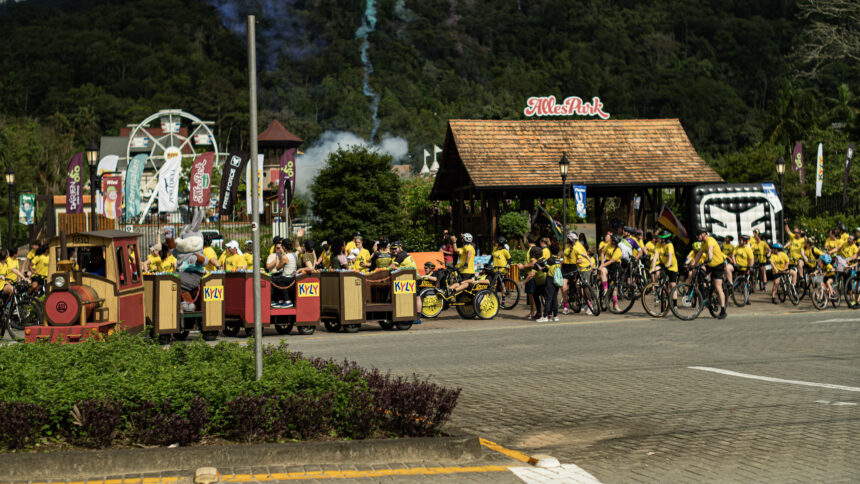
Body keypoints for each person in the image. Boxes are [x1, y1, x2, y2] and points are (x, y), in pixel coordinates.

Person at [692, 229, 727, 319]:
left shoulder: (710, 240)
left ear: (704, 234)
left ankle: (723, 310)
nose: (697, 237)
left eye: (698, 235)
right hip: (709, 265)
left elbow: (710, 250)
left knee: (718, 287)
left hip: (718, 265)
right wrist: (692, 265)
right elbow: (699, 254)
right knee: (698, 271)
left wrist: (710, 258)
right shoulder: (703, 244)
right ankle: (706, 290)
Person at [518, 246, 546, 319]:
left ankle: (542, 314)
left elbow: (531, 274)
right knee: (545, 297)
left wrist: (524, 282)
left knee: (536, 296)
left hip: (541, 282)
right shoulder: (545, 260)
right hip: (546, 282)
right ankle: (549, 314)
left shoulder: (537, 263)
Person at [266, 239, 295, 308]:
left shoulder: (285, 256)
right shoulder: (294, 255)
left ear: (284, 247)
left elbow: (278, 267)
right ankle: (283, 300)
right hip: (291, 277)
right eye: (278, 248)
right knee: (279, 281)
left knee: (273, 280)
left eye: (281, 247)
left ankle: (276, 300)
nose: (280, 249)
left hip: (287, 277)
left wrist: (278, 257)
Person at [598, 234, 623, 312]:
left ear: (614, 242)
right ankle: (605, 288)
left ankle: (615, 305)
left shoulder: (618, 250)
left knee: (614, 287)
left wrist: (602, 265)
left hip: (615, 266)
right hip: (607, 263)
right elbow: (602, 253)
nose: (610, 240)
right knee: (602, 271)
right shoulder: (608, 245)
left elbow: (612, 261)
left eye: (611, 240)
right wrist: (602, 263)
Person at [651, 231, 679, 295]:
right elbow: (655, 257)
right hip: (663, 264)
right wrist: (653, 268)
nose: (657, 239)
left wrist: (668, 264)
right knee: (656, 270)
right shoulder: (658, 244)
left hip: (672, 266)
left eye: (659, 238)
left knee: (672, 285)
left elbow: (670, 256)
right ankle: (656, 286)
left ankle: (674, 304)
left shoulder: (669, 245)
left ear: (664, 239)